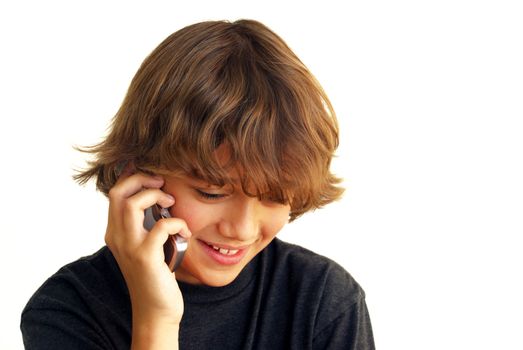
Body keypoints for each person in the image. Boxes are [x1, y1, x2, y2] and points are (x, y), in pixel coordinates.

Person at [20, 19, 375, 349]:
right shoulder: (66, 310)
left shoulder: (324, 300)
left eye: (274, 197)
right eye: (212, 192)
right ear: (135, 174)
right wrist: (156, 319)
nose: (242, 229)